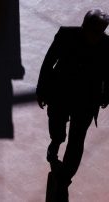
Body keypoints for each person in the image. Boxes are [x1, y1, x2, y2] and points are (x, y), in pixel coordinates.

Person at [36, 9, 109, 201]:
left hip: (86, 99)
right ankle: (55, 142)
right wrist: (41, 90)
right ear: (84, 26)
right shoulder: (66, 35)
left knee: (77, 141)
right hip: (61, 93)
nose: (93, 37)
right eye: (91, 31)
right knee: (58, 128)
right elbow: (48, 62)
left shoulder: (107, 45)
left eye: (98, 33)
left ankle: (65, 178)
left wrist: (105, 95)